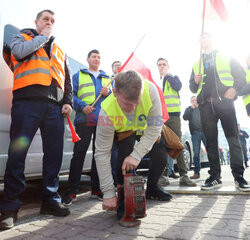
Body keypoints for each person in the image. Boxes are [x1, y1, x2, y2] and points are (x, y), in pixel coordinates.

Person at [0, 10, 72, 230]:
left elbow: (66, 78)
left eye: (52, 21)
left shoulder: (60, 49)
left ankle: (50, 200)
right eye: (46, 19)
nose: (49, 23)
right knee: (17, 154)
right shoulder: (23, 36)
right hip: (27, 103)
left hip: (54, 108)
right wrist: (44, 37)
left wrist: (67, 100)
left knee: (53, 156)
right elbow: (19, 53)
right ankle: (10, 207)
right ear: (36, 22)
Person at [95, 70, 173, 219]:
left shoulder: (150, 90)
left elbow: (155, 127)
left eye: (136, 103)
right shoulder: (106, 113)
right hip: (125, 132)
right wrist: (108, 193)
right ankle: (124, 200)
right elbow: (102, 154)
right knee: (124, 163)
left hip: (146, 128)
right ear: (115, 92)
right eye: (126, 104)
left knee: (161, 156)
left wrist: (137, 155)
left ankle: (152, 188)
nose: (132, 109)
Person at [190, 32, 250, 191]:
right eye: (200, 37)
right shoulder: (197, 63)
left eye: (206, 36)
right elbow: (192, 87)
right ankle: (215, 176)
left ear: (212, 39)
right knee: (210, 142)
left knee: (233, 139)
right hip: (206, 106)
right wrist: (194, 82)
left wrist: (235, 89)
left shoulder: (225, 56)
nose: (203, 39)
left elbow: (241, 76)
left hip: (225, 103)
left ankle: (239, 177)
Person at [62, 49, 111, 206]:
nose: (97, 59)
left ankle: (97, 190)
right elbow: (71, 95)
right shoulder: (78, 76)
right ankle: (72, 191)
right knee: (79, 154)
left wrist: (108, 93)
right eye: (94, 57)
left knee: (100, 155)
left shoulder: (107, 79)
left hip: (103, 121)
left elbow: (116, 100)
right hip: (84, 119)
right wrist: (82, 106)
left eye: (99, 57)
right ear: (88, 59)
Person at [157, 58, 196, 187]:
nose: (162, 67)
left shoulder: (173, 78)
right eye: (159, 65)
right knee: (161, 147)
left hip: (173, 117)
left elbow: (177, 86)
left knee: (177, 144)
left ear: (168, 66)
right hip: (159, 118)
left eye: (164, 65)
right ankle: (164, 176)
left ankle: (183, 175)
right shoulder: (156, 81)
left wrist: (166, 75)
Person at [183, 96, 206, 179]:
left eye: (195, 100)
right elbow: (185, 117)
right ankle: (196, 173)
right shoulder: (189, 109)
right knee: (196, 153)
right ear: (190, 102)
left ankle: (215, 173)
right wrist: (191, 109)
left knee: (210, 150)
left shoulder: (202, 108)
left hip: (205, 132)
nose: (194, 102)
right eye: (192, 100)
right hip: (195, 133)